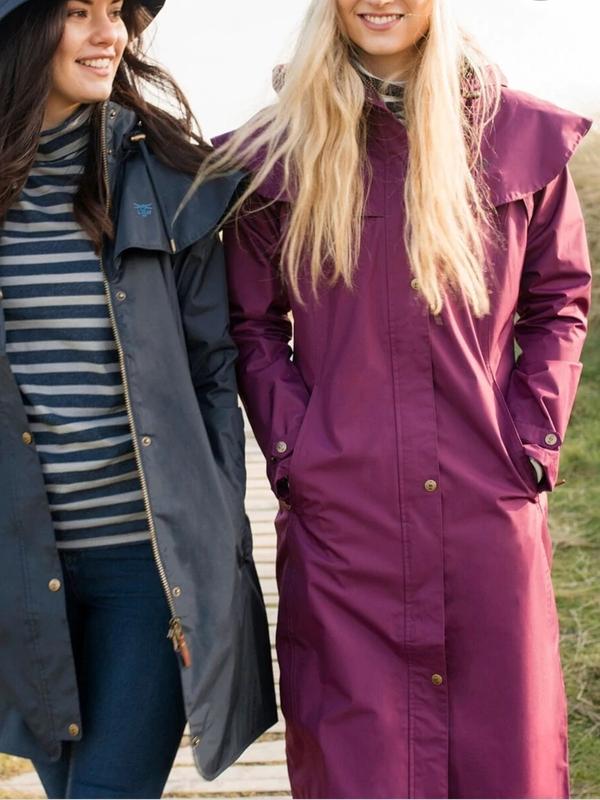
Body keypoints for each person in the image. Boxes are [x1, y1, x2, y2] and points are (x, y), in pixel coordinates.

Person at [207, 0, 592, 797]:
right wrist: (297, 451)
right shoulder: (281, 154)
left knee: (505, 757)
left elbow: (559, 301)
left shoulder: (517, 137)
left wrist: (533, 440)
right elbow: (251, 324)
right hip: (344, 516)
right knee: (359, 760)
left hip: (487, 505)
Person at [0, 1, 277, 797]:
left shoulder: (164, 176)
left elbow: (213, 368)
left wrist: (217, 521)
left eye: (117, 11)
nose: (110, 33)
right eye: (78, 11)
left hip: (147, 569)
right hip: (19, 573)